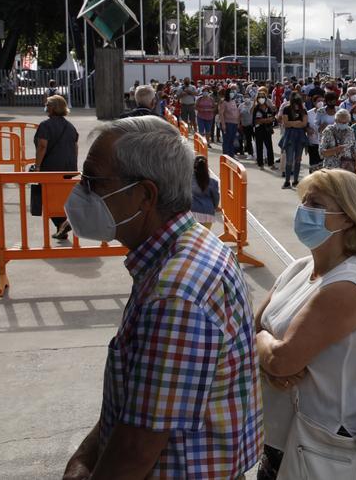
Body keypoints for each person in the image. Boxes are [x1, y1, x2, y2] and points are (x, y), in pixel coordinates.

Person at [62, 117, 260, 479]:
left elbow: (136, 450)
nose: (81, 191)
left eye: (93, 181)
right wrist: (86, 457)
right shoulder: (183, 250)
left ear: (145, 195)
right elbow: (138, 402)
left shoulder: (177, 295)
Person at [254, 169, 356, 480]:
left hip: (320, 446)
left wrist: (265, 348)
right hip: (281, 437)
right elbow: (252, 331)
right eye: (303, 201)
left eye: (315, 204)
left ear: (348, 218)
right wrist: (267, 361)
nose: (303, 211)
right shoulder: (300, 267)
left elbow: (281, 358)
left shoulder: (349, 284)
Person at [34, 95, 79, 240]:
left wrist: (37, 166)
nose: (46, 107)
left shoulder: (45, 125)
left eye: (47, 104)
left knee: (49, 198)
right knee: (62, 197)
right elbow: (75, 146)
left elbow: (42, 146)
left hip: (51, 167)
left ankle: (61, 223)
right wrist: (73, 165)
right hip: (68, 167)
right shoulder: (70, 126)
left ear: (52, 108)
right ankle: (62, 225)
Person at [278, 94, 310, 189]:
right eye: (295, 103)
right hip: (289, 136)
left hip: (300, 137)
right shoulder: (287, 109)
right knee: (289, 160)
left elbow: (304, 123)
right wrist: (297, 123)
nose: (296, 105)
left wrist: (292, 124)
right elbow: (286, 124)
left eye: (298, 103)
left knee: (298, 159)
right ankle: (287, 181)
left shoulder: (303, 110)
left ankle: (295, 181)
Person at [190, 156, 220, 228]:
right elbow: (216, 198)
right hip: (207, 212)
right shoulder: (213, 182)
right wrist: (215, 207)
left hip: (191, 211)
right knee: (204, 236)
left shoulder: (187, 180)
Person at [252, 87, 276, 169]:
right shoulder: (256, 108)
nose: (261, 99)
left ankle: (271, 163)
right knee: (259, 147)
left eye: (263, 97)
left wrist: (269, 120)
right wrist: (266, 120)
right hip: (259, 130)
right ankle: (260, 164)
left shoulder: (268, 108)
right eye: (259, 98)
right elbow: (256, 121)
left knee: (269, 147)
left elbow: (272, 118)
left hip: (267, 130)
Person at [219, 89, 240, 155]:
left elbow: (236, 112)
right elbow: (221, 113)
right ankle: (226, 155)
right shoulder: (224, 102)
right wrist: (223, 124)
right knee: (227, 140)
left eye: (233, 92)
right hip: (227, 123)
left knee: (232, 139)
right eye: (231, 92)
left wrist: (238, 122)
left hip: (234, 123)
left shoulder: (233, 101)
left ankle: (231, 154)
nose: (232, 93)